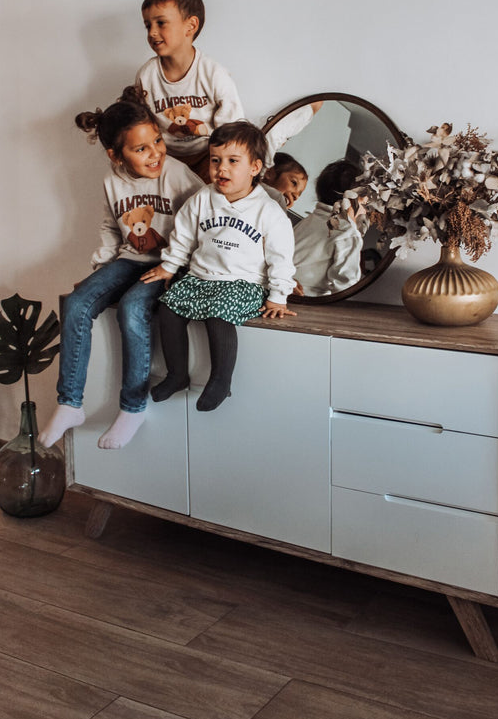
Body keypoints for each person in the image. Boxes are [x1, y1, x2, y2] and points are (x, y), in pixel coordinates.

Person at [38, 92, 203, 451]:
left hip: (171, 266)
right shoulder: (113, 182)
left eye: (157, 141)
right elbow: (111, 228)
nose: (155, 153)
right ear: (116, 155)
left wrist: (178, 264)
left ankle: (132, 406)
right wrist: (100, 273)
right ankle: (69, 403)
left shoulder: (177, 174)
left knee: (131, 308)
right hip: (128, 260)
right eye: (141, 149)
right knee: (78, 301)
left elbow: (205, 219)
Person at [141, 120, 296, 412]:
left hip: (243, 283)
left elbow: (281, 256)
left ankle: (221, 381)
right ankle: (177, 374)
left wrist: (278, 296)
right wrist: (170, 267)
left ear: (254, 168)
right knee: (168, 309)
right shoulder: (203, 198)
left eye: (232, 161)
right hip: (200, 278)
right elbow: (184, 234)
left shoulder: (269, 212)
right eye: (215, 160)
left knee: (219, 315)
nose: (220, 169)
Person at [134, 0, 244, 179]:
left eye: (161, 23)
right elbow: (142, 124)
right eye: (147, 25)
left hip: (207, 156)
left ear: (191, 26)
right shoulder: (146, 75)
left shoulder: (213, 73)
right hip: (166, 157)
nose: (152, 32)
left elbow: (232, 128)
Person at [292, 159, 363, 297]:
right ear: (355, 200)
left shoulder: (308, 222)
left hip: (282, 292)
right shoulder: (347, 231)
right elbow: (346, 286)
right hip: (308, 300)